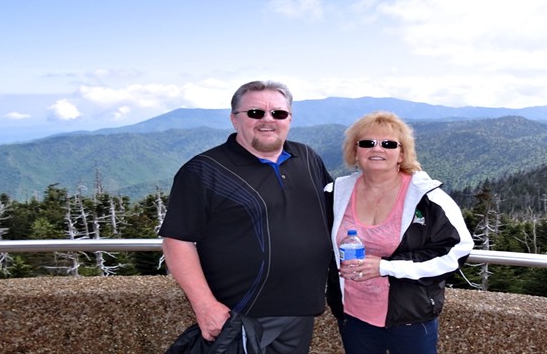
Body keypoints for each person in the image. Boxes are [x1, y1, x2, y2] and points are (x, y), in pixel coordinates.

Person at [160, 80, 334, 354]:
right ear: (234, 119)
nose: (268, 120)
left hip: (301, 311)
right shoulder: (204, 171)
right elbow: (177, 241)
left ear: (289, 118)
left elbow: (337, 210)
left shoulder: (307, 157)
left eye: (278, 113)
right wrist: (204, 305)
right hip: (239, 315)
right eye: (255, 113)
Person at [325, 111, 474, 354]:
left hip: (410, 319)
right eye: (367, 143)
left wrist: (386, 267)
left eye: (388, 144)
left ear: (402, 154)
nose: (377, 149)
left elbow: (456, 250)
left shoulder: (427, 198)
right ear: (355, 152)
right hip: (353, 315)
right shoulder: (334, 194)